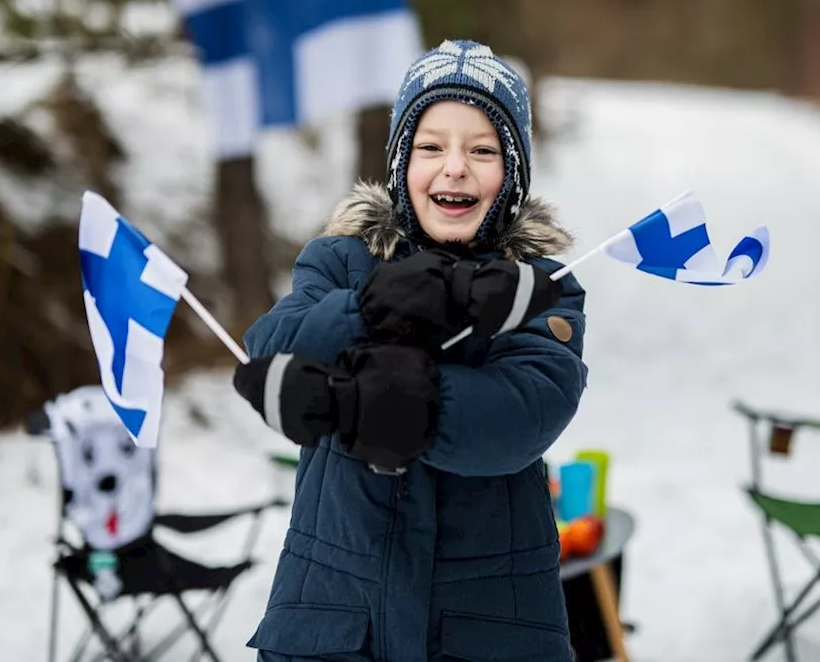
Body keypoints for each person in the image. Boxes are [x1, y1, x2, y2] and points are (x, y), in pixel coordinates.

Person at [231, 39, 589, 662]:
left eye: (482, 150)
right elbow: (273, 350)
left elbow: (524, 413)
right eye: (431, 147)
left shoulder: (536, 287)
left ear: (512, 175)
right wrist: (370, 305)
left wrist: (360, 404)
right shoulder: (338, 260)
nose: (455, 168)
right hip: (336, 622)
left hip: (488, 626)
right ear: (400, 164)